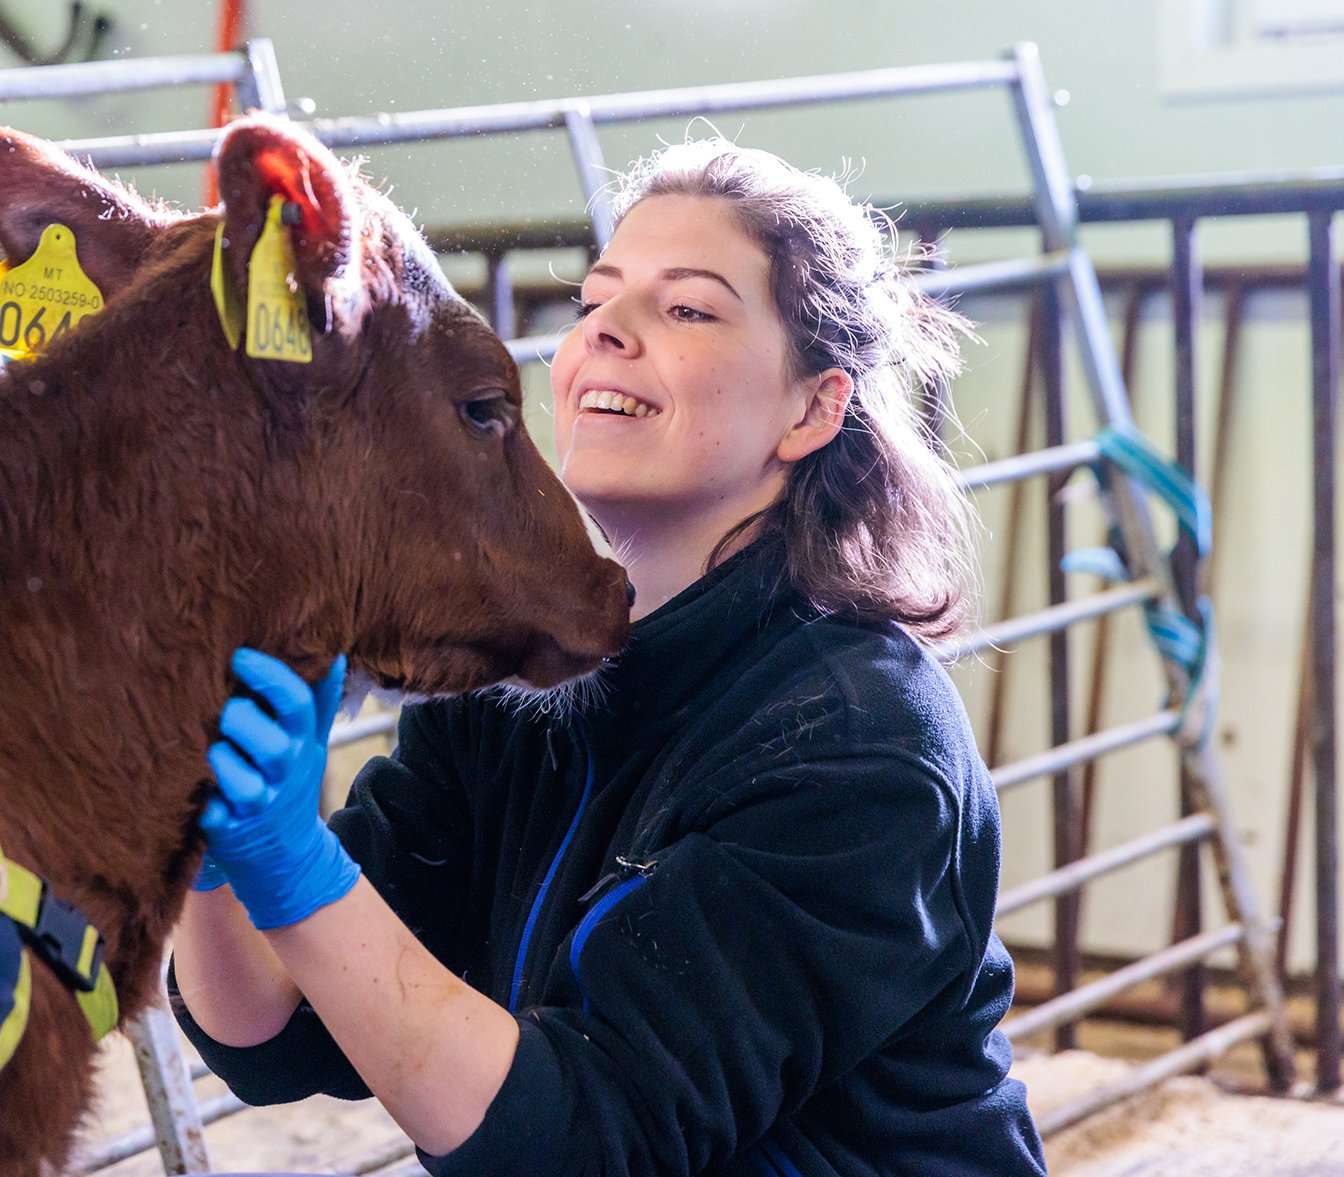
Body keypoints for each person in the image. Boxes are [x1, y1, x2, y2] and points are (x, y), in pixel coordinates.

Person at [170, 138, 1048, 1177]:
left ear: (813, 406)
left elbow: (587, 1141)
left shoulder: (859, 750)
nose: (604, 336)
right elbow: (277, 1034)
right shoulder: (519, 675)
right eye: (595, 301)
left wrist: (295, 861)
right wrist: (222, 850)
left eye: (687, 309)